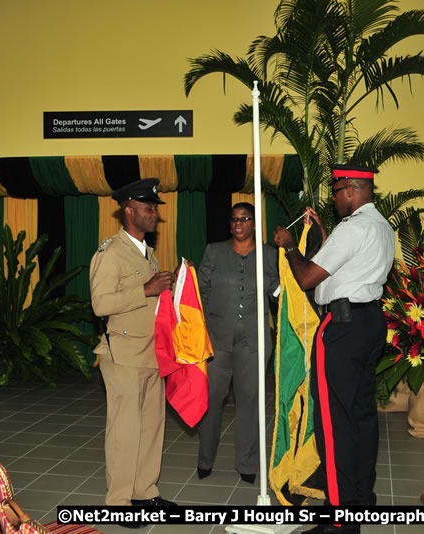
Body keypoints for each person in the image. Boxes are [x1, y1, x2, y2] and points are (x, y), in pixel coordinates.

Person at [272, 165, 394, 534]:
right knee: (361, 418)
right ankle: (361, 502)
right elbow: (344, 266)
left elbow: (308, 277)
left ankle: (340, 518)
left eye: (338, 191)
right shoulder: (381, 227)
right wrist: (322, 234)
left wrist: (290, 246)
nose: (334, 198)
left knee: (334, 425)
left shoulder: (353, 228)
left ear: (352, 190)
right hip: (369, 323)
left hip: (342, 329)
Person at [89, 178, 177, 527]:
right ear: (129, 209)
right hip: (123, 354)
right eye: (148, 207)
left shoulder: (146, 251)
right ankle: (119, 502)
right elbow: (100, 304)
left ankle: (145, 493)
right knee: (125, 431)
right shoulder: (111, 252)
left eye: (155, 207)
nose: (154, 213)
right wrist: (147, 288)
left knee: (152, 428)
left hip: (151, 352)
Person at [196, 202, 279, 484]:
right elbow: (200, 291)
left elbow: (277, 294)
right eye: (234, 219)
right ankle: (205, 459)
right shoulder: (214, 251)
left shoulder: (269, 255)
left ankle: (247, 464)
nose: (239, 223)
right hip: (216, 341)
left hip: (253, 343)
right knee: (210, 401)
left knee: (250, 402)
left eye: (245, 219)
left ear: (254, 223)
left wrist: (284, 287)